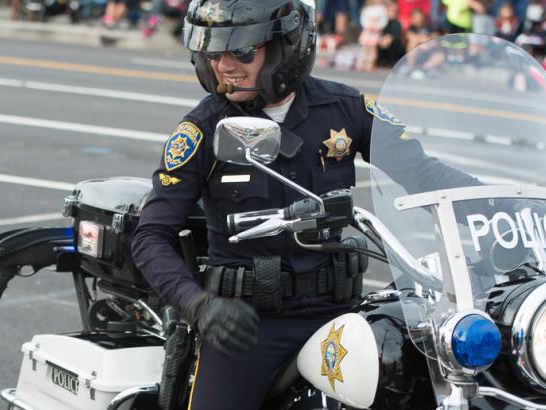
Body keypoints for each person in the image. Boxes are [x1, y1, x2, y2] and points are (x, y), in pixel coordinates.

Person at [131, 0, 478, 407]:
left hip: (340, 313)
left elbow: (426, 175)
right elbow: (151, 236)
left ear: (287, 46)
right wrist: (200, 306)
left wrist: (508, 208)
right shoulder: (201, 131)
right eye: (213, 53)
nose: (224, 65)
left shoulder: (347, 109)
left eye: (242, 51)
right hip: (250, 326)